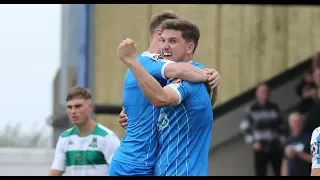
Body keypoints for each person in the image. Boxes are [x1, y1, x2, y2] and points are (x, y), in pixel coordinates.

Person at [116, 18, 216, 176]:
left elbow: (160, 99)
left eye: (173, 41)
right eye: (162, 40)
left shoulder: (188, 78)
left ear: (190, 47)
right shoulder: (179, 77)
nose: (164, 46)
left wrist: (131, 61)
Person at [48, 86, 120, 176]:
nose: (73, 111)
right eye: (69, 107)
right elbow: (56, 170)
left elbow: (120, 171)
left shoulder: (107, 137)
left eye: (78, 106)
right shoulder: (64, 138)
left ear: (90, 106)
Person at [239, 83, 286, 176]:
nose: (265, 94)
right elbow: (244, 127)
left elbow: (281, 124)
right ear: (257, 94)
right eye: (262, 91)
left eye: (267, 91)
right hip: (260, 147)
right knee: (261, 173)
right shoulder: (252, 109)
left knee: (279, 171)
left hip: (275, 145)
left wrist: (282, 135)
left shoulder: (274, 107)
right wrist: (253, 142)